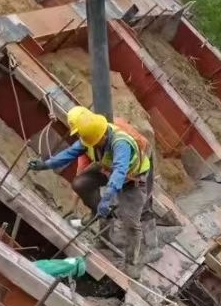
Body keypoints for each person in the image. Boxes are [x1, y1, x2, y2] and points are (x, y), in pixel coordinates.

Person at [27, 106, 153, 247]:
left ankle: (132, 260)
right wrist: (44, 165)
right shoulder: (89, 137)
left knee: (131, 221)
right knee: (80, 183)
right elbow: (69, 154)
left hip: (133, 178)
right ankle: (97, 214)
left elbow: (120, 172)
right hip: (108, 169)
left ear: (103, 136)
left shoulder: (120, 143)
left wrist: (107, 198)